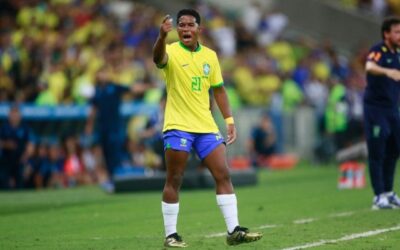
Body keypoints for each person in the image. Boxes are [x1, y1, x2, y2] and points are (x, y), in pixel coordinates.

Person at [153, 9, 262, 248]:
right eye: (181, 25)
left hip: (205, 126)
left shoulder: (210, 57)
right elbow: (157, 59)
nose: (184, 29)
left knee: (223, 173)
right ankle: (171, 235)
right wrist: (161, 37)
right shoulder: (170, 51)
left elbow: (219, 90)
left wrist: (229, 121)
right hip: (178, 126)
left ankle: (233, 231)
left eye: (190, 25)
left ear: (198, 29)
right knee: (174, 178)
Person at [85, 64, 145, 193]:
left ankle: (116, 180)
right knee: (105, 154)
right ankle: (111, 180)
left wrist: (147, 86)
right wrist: (89, 126)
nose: (103, 75)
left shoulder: (114, 87)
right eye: (101, 73)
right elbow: (93, 109)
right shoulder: (97, 90)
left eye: (105, 73)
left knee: (114, 153)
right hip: (102, 128)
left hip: (114, 127)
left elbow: (132, 89)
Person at [364, 16, 400, 210]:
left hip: (392, 109)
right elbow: (369, 66)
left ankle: (388, 192)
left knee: (394, 150)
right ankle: (378, 196)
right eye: (397, 32)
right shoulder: (379, 50)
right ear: (386, 34)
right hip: (375, 110)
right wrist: (387, 72)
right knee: (378, 151)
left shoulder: (398, 54)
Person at [0, 105, 34, 189]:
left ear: (20, 115)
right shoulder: (3, 128)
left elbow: (30, 144)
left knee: (20, 183)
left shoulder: (25, 128)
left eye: (16, 114)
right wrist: (6, 144)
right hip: (6, 160)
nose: (14, 116)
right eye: (12, 114)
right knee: (4, 183)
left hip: (20, 160)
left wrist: (26, 156)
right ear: (9, 115)